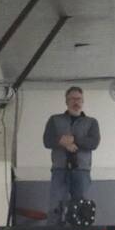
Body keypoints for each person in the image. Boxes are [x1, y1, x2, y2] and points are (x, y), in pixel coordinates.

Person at [43, 86, 100, 222]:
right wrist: (61, 141)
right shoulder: (54, 120)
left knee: (81, 212)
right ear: (66, 101)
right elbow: (47, 140)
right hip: (59, 170)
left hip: (81, 171)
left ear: (83, 101)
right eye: (72, 99)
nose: (76, 102)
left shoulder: (91, 122)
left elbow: (93, 143)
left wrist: (74, 140)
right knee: (55, 209)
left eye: (79, 99)